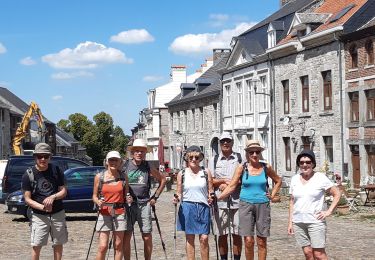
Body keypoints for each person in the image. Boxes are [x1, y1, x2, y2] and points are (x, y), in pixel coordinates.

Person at [218, 140, 281, 260]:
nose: (255, 155)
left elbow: (278, 180)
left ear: (260, 153)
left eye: (257, 152)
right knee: (248, 240)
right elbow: (232, 186)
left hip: (263, 204)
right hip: (245, 205)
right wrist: (217, 199)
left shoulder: (266, 167)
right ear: (247, 154)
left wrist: (272, 195)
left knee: (261, 240)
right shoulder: (241, 168)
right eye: (251, 152)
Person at [288, 149, 340, 260]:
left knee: (318, 254)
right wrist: (290, 223)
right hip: (298, 222)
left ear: (313, 164)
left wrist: (329, 211)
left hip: (315, 221)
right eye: (301, 162)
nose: (305, 165)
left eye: (308, 162)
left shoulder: (320, 178)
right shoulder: (294, 179)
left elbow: (337, 194)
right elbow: (292, 201)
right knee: (307, 253)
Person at [22, 143, 68, 260]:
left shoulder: (56, 170)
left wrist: (53, 197)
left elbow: (63, 191)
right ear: (35, 157)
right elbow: (27, 198)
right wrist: (42, 207)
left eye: (46, 156)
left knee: (58, 243)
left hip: (58, 213)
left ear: (50, 157)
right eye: (40, 156)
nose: (43, 159)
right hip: (39, 215)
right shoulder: (29, 174)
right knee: (36, 245)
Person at [123, 138, 166, 260]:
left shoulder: (147, 166)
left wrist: (155, 197)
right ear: (132, 152)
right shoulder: (125, 165)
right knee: (127, 235)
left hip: (144, 204)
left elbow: (162, 180)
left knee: (147, 236)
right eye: (136, 151)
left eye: (141, 151)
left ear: (145, 153)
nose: (139, 153)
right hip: (129, 205)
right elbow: (118, 180)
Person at [173, 145, 214, 260]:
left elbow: (210, 190)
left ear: (200, 158)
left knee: (204, 238)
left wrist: (211, 196)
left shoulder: (206, 172)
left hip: (203, 207)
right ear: (187, 158)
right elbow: (179, 192)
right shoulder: (182, 173)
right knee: (190, 238)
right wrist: (176, 198)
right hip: (188, 206)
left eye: (196, 157)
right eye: (191, 157)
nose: (194, 160)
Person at [208, 132, 242, 260]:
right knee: (221, 234)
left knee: (237, 234)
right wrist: (223, 181)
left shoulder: (239, 158)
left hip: (237, 201)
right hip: (220, 202)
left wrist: (230, 185)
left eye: (228, 141)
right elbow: (210, 180)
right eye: (223, 141)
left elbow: (243, 178)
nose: (225, 143)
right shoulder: (213, 160)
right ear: (219, 143)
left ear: (232, 142)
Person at [92, 151, 129, 260]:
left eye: (116, 160)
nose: (113, 162)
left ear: (120, 162)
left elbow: (126, 195)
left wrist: (128, 199)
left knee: (118, 245)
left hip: (120, 213)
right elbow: (94, 196)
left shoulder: (124, 177)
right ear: (107, 162)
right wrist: (98, 202)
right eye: (111, 160)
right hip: (104, 213)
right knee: (103, 246)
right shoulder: (99, 177)